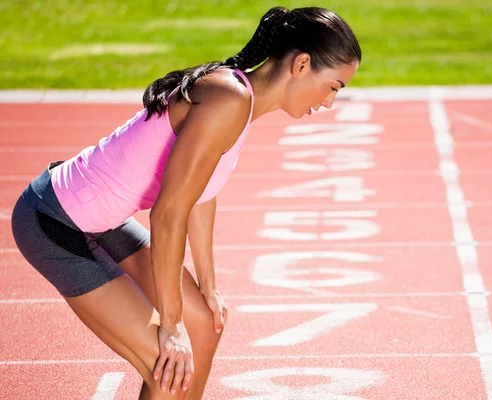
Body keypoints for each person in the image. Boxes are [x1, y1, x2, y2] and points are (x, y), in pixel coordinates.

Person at [11, 5, 361, 399]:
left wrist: (208, 286)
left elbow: (200, 195)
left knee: (206, 323)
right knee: (170, 367)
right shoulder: (229, 98)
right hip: (55, 219)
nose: (330, 102)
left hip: (101, 219)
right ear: (301, 65)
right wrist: (170, 324)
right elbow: (168, 213)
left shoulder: (240, 101)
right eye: (333, 86)